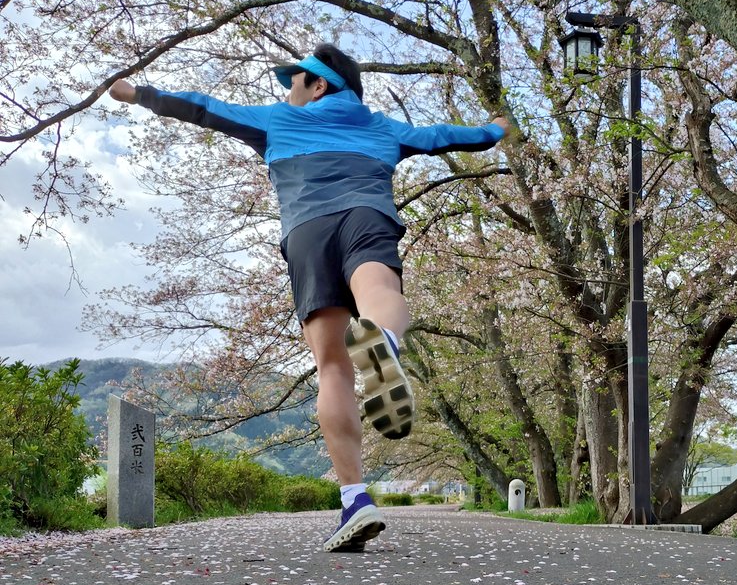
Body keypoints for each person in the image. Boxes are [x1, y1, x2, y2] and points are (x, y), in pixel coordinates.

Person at [109, 43, 509, 551]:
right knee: (379, 287)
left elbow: (204, 108)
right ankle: (385, 338)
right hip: (368, 215)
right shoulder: (384, 128)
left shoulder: (276, 121)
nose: (288, 90)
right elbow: (451, 137)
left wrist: (139, 93)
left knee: (333, 366)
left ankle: (355, 500)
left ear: (319, 84)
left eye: (294, 81)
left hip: (307, 231)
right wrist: (497, 128)